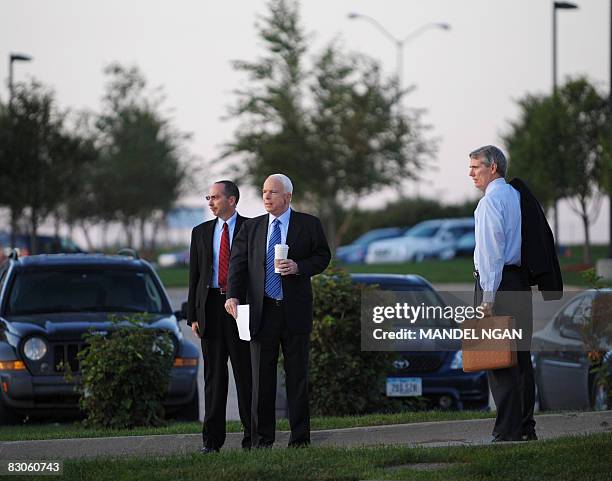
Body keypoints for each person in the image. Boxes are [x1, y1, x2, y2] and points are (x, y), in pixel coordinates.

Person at [225, 173, 331, 448]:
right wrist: (234, 295)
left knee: (297, 377)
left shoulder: (308, 224)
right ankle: (263, 440)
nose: (267, 197)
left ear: (288, 196)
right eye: (264, 192)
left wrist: (299, 267)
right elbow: (238, 264)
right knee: (261, 379)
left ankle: (300, 439)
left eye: (273, 192)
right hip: (262, 312)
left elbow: (322, 256)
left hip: (294, 311)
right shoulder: (252, 228)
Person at [468, 145, 536, 442]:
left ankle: (506, 433)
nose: (471, 174)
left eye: (476, 167)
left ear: (492, 167)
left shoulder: (490, 202)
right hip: (519, 285)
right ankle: (525, 428)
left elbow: (491, 254)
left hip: (497, 285)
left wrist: (487, 299)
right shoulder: (516, 195)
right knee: (521, 359)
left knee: (497, 360)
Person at [186, 180, 252, 453]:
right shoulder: (200, 232)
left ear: (232, 200)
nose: (210, 202)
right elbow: (195, 277)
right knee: (214, 377)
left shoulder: (252, 228)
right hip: (210, 308)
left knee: (246, 374)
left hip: (241, 308)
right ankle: (211, 442)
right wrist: (193, 316)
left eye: (215, 197)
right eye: (208, 198)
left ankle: (254, 439)